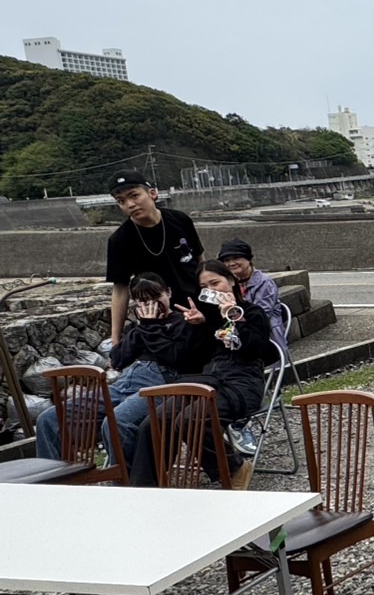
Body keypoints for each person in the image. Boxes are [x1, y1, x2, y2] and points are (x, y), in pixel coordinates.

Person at [128, 261, 274, 490]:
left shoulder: (252, 312)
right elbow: (190, 358)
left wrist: (234, 315)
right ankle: (144, 487)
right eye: (205, 287)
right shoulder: (207, 317)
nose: (212, 290)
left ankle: (234, 468)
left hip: (242, 382)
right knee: (155, 421)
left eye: (215, 283)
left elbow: (259, 349)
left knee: (190, 419)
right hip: (209, 378)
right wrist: (197, 327)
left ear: (231, 281)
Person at [35, 272, 202, 465]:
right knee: (49, 418)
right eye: (143, 301)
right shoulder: (139, 327)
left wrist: (151, 327)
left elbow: (175, 358)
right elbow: (117, 360)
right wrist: (142, 327)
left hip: (162, 383)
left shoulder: (183, 321)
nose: (151, 305)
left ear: (169, 293)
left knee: (116, 422)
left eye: (156, 297)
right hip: (126, 382)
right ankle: (53, 479)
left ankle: (125, 478)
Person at [104, 170, 204, 347]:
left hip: (198, 308)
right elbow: (120, 289)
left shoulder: (180, 220)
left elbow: (201, 262)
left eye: (134, 195)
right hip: (159, 319)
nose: (130, 204)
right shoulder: (119, 240)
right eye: (121, 201)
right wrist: (116, 341)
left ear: (152, 193)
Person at [218, 238, 287, 354]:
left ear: (248, 259)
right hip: (237, 331)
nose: (231, 263)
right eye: (226, 260)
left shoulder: (264, 283)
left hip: (266, 334)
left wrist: (233, 313)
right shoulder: (228, 282)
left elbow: (261, 316)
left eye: (236, 258)